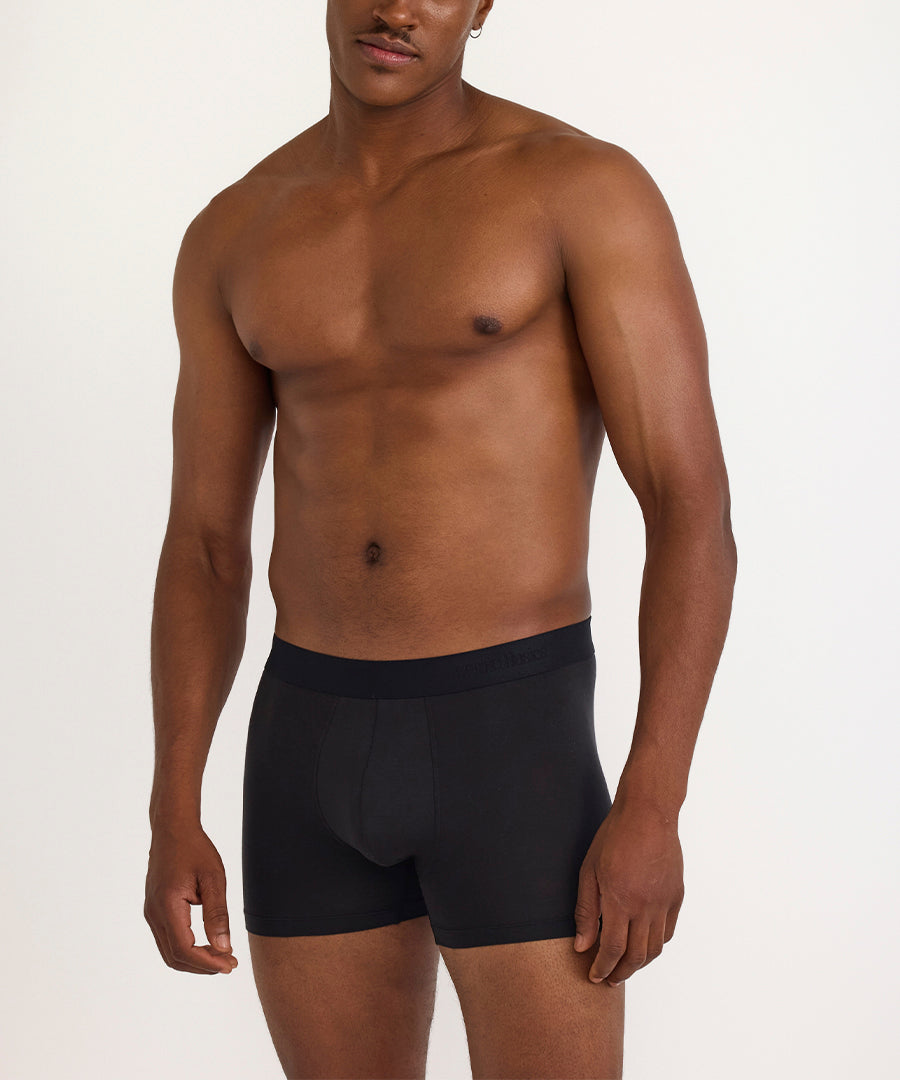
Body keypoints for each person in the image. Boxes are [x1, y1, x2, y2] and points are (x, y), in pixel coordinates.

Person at [144, 1, 737, 1076]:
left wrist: (654, 800)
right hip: (307, 742)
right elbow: (204, 546)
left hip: (511, 738)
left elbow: (689, 507)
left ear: (482, 7)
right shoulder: (236, 229)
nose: (396, 9)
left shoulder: (577, 189)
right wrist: (171, 804)